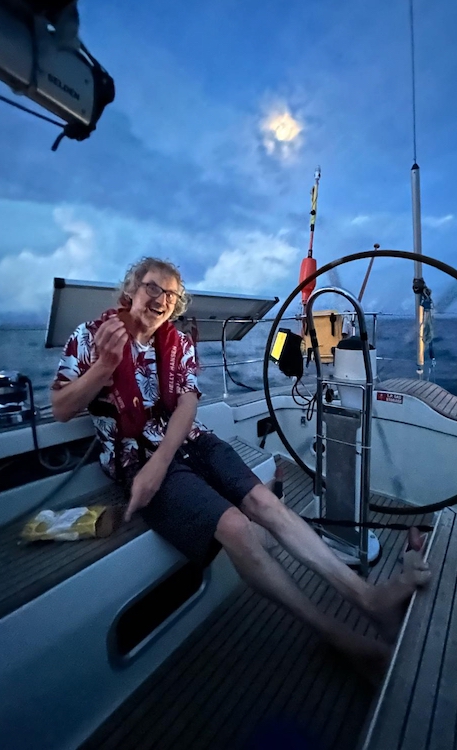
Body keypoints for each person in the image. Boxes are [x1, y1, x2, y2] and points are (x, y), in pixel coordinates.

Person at [51, 256, 430, 680]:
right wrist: (104, 366)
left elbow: (189, 403)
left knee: (265, 503)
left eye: (171, 295)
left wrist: (162, 463)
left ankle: (367, 597)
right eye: (152, 288)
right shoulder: (91, 337)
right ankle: (338, 636)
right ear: (132, 289)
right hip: (131, 458)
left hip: (185, 443)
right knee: (236, 527)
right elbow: (62, 407)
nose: (160, 301)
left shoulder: (178, 343)